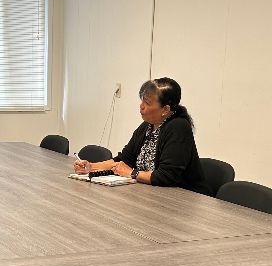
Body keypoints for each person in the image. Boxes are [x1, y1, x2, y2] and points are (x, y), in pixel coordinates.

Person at [73, 78, 207, 194]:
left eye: (147, 103)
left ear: (165, 110)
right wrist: (91, 167)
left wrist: (132, 173)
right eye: (142, 101)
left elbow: (167, 177)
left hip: (183, 200)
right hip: (151, 194)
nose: (141, 106)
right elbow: (124, 160)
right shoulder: (147, 126)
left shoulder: (178, 127)